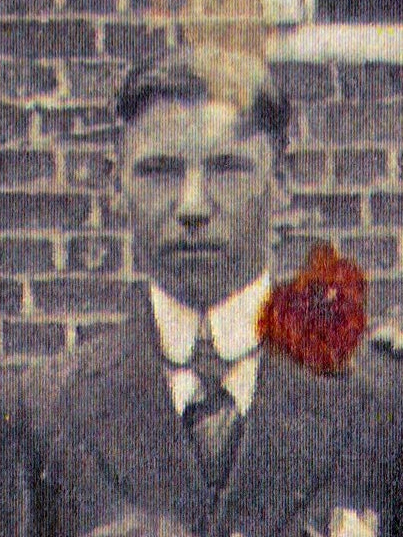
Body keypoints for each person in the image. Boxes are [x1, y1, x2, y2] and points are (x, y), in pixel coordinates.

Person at [1, 46, 402, 537]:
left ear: (281, 182)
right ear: (117, 185)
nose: (192, 206)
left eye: (227, 168)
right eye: (159, 171)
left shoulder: (380, 399)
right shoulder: (43, 411)